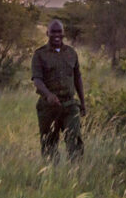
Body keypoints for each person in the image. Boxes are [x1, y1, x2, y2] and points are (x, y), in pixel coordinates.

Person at [31, 19, 86, 162]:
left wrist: (82, 103)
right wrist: (48, 95)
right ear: (47, 33)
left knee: (74, 141)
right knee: (49, 143)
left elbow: (77, 78)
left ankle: (76, 174)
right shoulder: (40, 55)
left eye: (59, 31)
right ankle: (51, 175)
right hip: (48, 107)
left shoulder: (71, 53)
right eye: (53, 32)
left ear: (63, 33)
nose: (56, 35)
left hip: (70, 105)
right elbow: (37, 80)